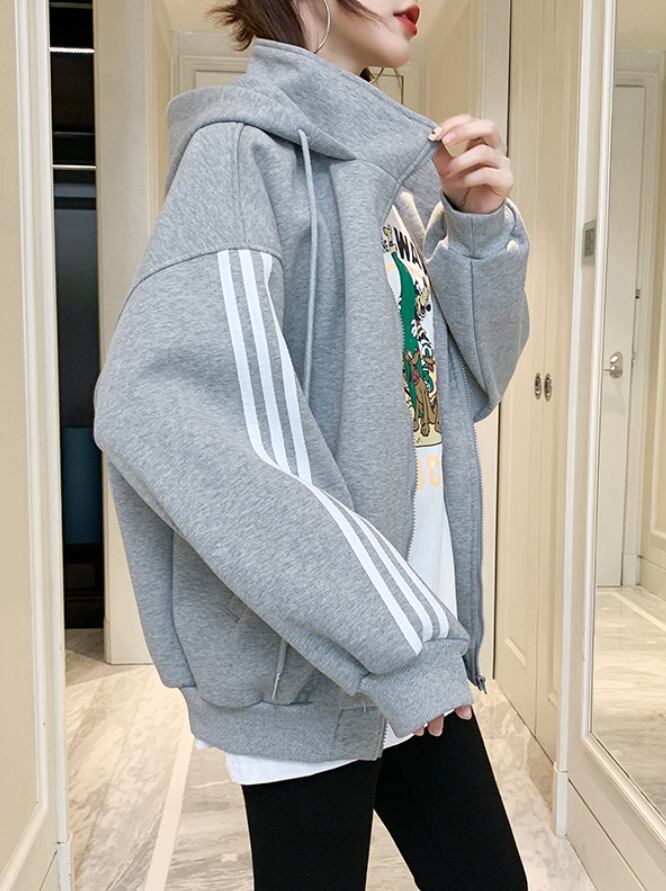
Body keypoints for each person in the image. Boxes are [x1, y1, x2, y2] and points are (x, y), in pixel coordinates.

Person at [93, 0, 530, 887]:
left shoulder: (389, 185)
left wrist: (478, 229)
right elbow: (161, 408)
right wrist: (396, 635)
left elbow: (463, 388)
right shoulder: (241, 154)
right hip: (313, 659)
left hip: (405, 632)